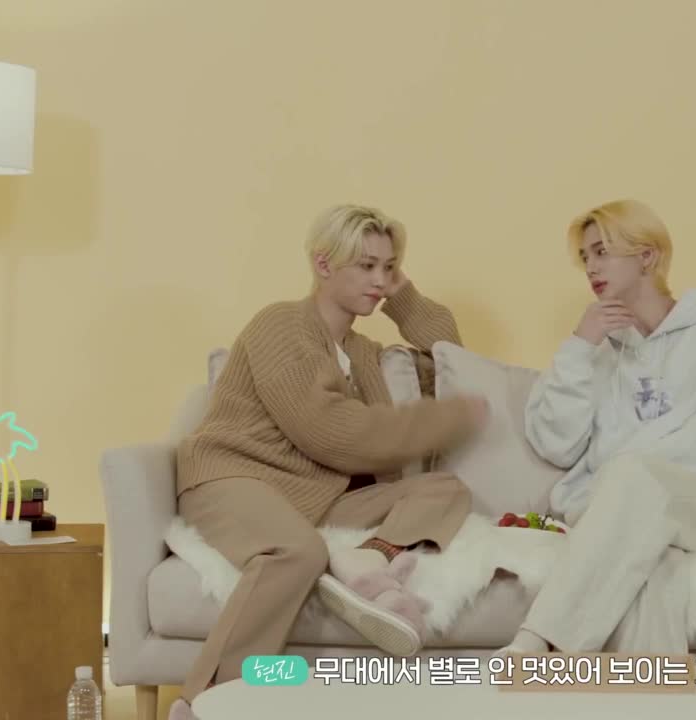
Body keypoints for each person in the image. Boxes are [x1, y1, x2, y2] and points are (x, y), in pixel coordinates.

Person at [168, 204, 488, 719]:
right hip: (235, 476)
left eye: (388, 267)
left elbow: (450, 350)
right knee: (297, 552)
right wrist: (450, 418)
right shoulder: (280, 325)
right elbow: (331, 434)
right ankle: (202, 704)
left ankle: (369, 560)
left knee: (445, 489)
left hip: (316, 496)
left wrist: (402, 295)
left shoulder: (363, 352)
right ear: (323, 264)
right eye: (366, 265)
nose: (379, 280)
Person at [497, 198, 696, 658]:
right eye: (585, 257)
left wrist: (628, 472)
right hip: (613, 511)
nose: (590, 268)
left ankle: (538, 642)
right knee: (654, 569)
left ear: (647, 256)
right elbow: (556, 444)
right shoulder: (594, 346)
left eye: (602, 252)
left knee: (633, 479)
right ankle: (646, 689)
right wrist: (579, 348)